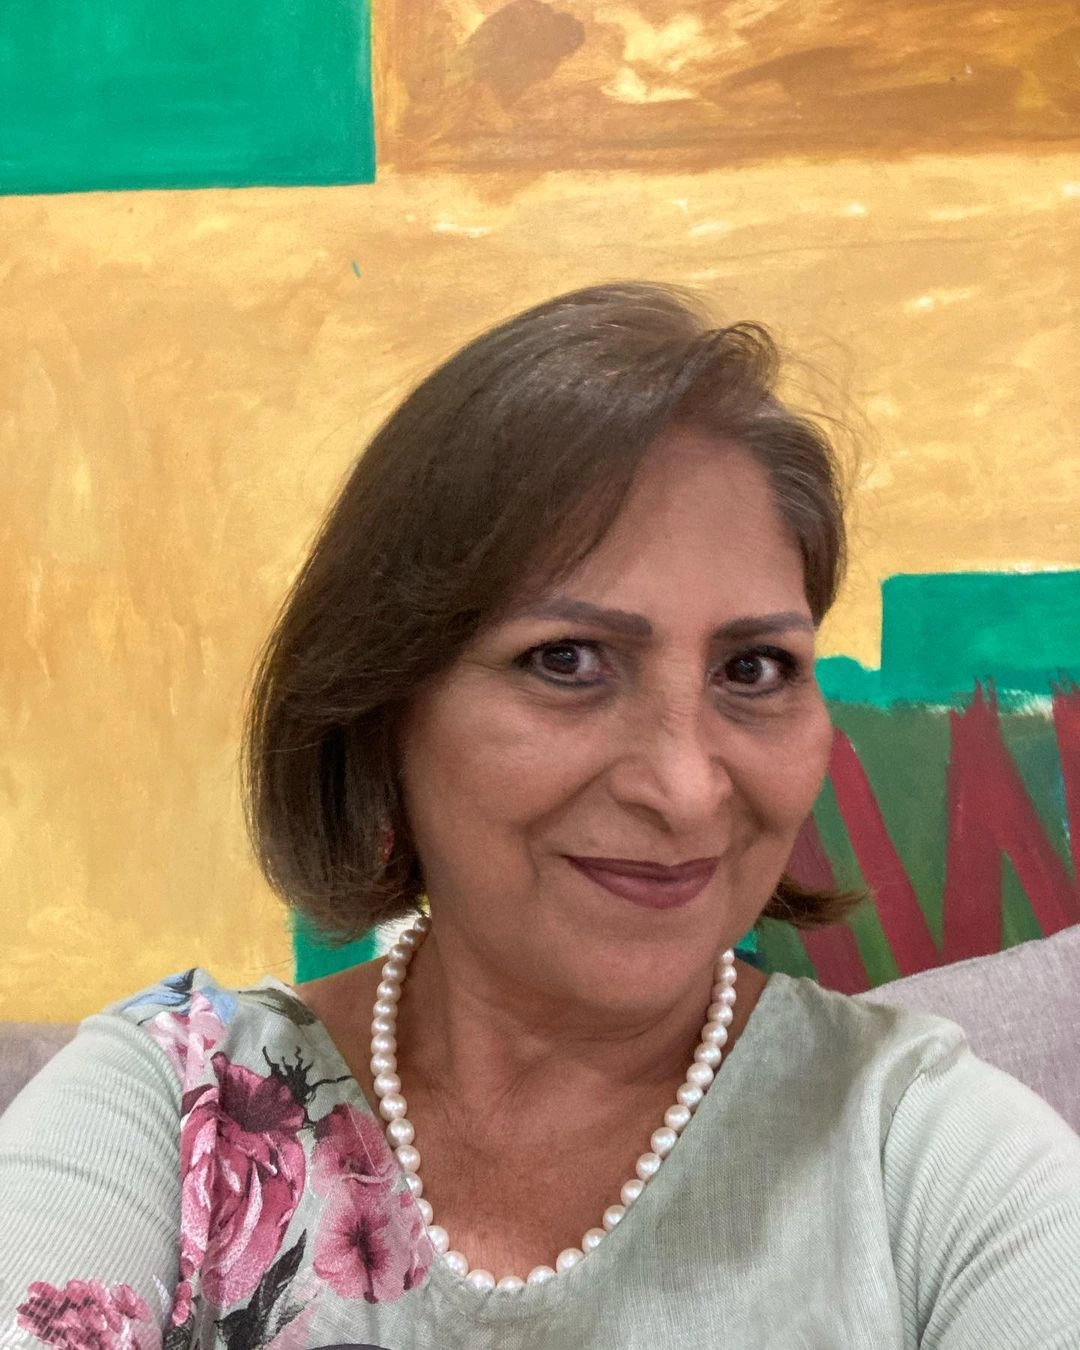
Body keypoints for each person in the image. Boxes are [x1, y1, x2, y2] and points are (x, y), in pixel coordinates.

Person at [2, 283, 1078, 1350]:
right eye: (566, 660)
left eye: (754, 668)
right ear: (385, 704)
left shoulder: (925, 1154)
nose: (685, 787)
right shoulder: (168, 1114)